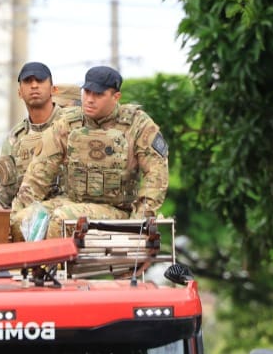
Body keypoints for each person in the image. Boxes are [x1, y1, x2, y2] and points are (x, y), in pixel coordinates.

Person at [14, 65, 169, 238]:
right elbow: (39, 172)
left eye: (98, 94)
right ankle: (29, 264)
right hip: (72, 202)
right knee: (21, 220)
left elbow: (156, 176)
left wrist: (139, 222)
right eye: (87, 92)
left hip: (117, 210)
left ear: (116, 97)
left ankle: (52, 265)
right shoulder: (68, 123)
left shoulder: (138, 124)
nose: (89, 99)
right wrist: (19, 209)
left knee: (61, 219)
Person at [0, 61, 66, 237]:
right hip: (26, 219)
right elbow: (2, 194)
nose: (34, 86)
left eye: (40, 80)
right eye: (28, 81)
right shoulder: (15, 139)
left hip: (65, 212)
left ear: (53, 89)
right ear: (19, 92)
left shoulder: (71, 127)